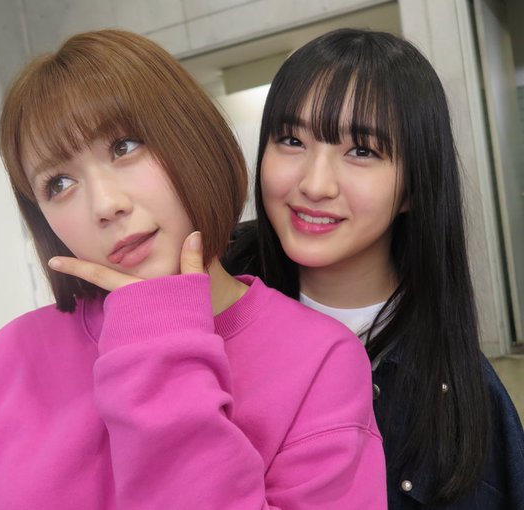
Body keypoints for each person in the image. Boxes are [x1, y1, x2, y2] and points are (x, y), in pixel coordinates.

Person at [0, 29, 385, 509]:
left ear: (192, 137)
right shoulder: (12, 357)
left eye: (124, 147)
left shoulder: (321, 361)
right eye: (59, 183)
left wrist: (157, 338)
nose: (105, 205)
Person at [224, 28, 524, 509]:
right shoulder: (205, 307)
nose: (315, 184)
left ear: (413, 187)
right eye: (291, 140)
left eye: (362, 151)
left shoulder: (465, 402)